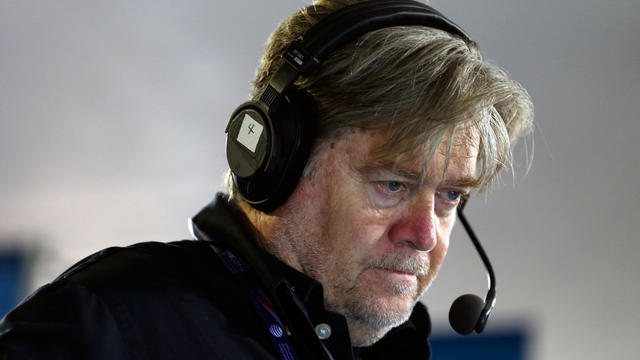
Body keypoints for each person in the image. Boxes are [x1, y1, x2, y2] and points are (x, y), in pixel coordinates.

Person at [0, 0, 533, 359]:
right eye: (391, 185)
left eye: (449, 196)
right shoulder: (104, 326)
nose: (426, 234)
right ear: (277, 159)